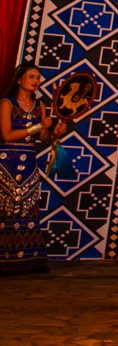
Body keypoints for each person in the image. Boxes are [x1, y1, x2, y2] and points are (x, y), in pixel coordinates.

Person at [0, 62, 64, 275]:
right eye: (31, 77)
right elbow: (7, 135)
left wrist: (55, 132)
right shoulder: (7, 104)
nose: (36, 80)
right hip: (6, 161)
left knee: (27, 209)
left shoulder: (40, 106)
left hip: (28, 161)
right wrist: (38, 126)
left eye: (38, 77)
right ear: (19, 80)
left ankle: (30, 261)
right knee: (5, 209)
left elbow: (43, 138)